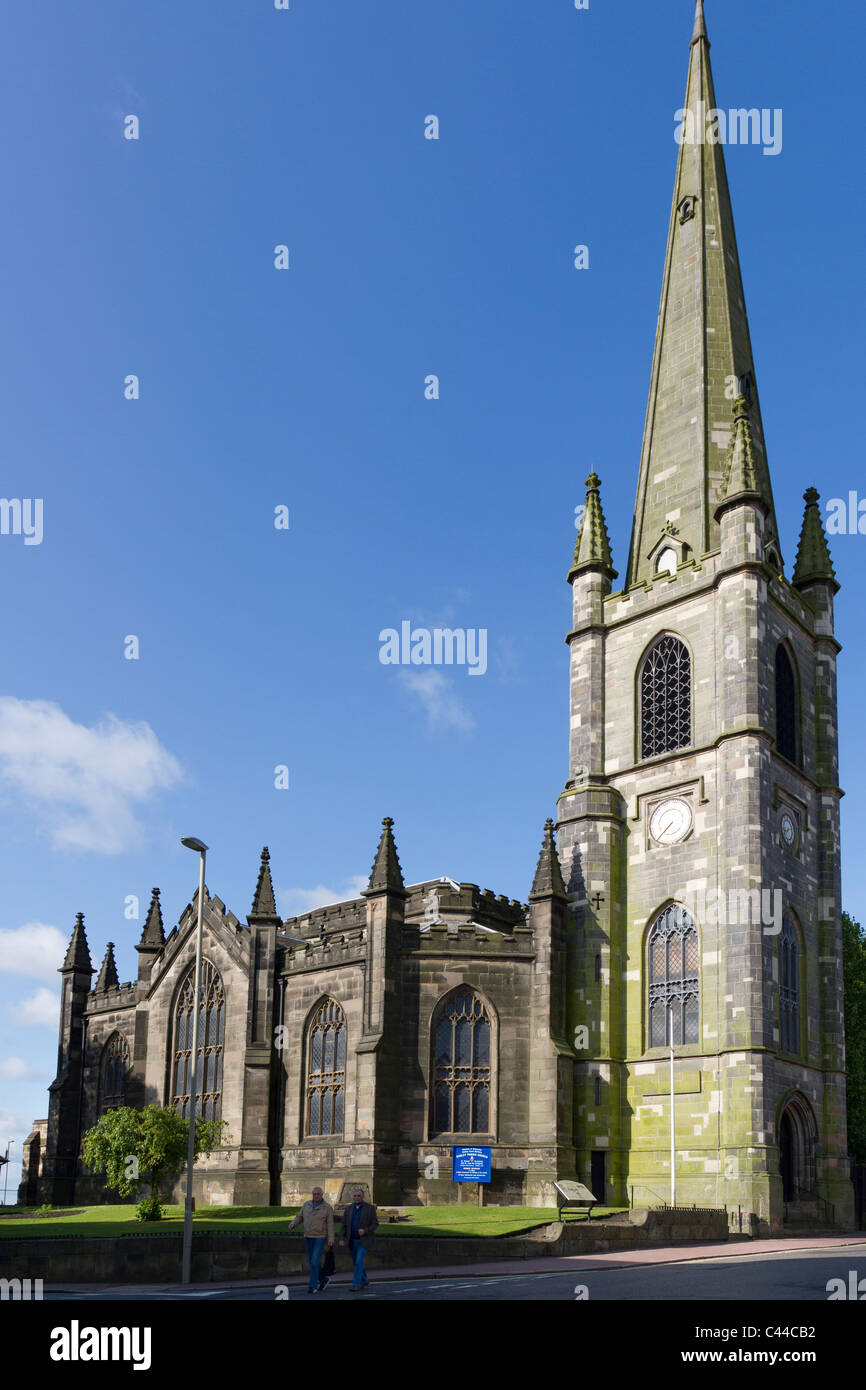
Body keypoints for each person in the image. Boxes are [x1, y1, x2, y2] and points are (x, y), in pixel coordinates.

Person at [289, 1186, 335, 1293]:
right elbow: (299, 1217)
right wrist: (293, 1224)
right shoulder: (307, 1205)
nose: (316, 1196)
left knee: (314, 1261)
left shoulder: (327, 1207)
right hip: (308, 1236)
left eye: (318, 1194)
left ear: (322, 1195)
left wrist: (331, 1238)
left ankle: (312, 1286)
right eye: (314, 1194)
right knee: (313, 1262)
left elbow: (330, 1224)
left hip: (320, 1237)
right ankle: (324, 1279)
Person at [338, 1187, 378, 1290]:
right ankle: (364, 1280)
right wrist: (341, 1238)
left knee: (358, 1261)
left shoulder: (370, 1208)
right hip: (352, 1241)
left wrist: (365, 1230)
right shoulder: (348, 1209)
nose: (356, 1197)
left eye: (359, 1196)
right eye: (355, 1196)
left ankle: (356, 1284)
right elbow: (344, 1225)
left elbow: (375, 1223)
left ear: (362, 1197)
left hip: (364, 1241)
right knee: (358, 1262)